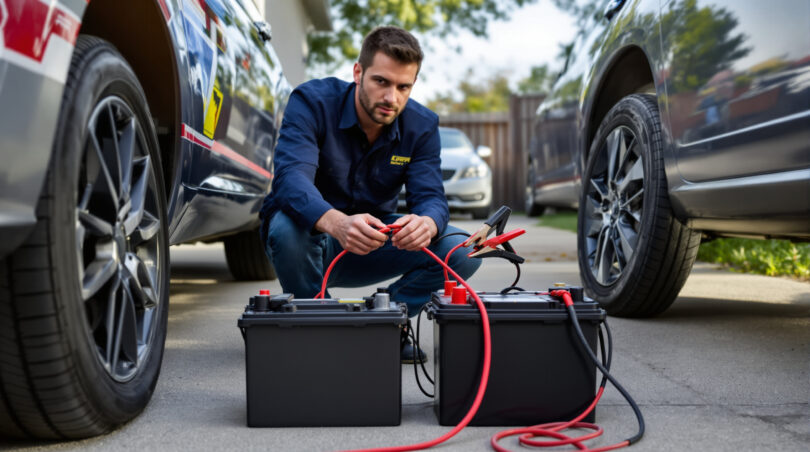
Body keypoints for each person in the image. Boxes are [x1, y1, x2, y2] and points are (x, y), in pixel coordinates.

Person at [259, 26, 481, 363]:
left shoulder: (422, 125)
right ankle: (318, 324)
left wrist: (428, 223)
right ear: (358, 73)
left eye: (403, 87)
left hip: (375, 243)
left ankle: (389, 321)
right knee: (287, 228)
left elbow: (432, 199)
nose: (392, 98)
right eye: (382, 82)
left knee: (465, 249)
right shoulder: (311, 102)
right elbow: (290, 180)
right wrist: (337, 224)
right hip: (311, 242)